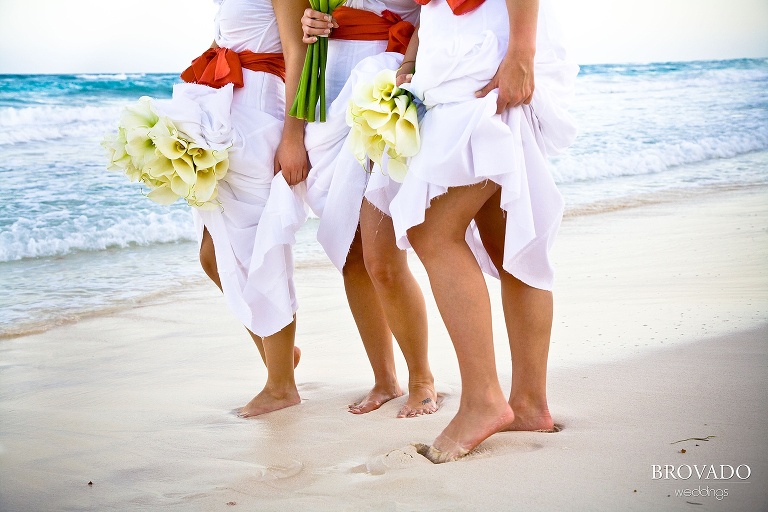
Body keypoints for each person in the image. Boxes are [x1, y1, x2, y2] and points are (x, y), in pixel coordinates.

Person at [388, 0, 579, 461]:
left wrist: (521, 53)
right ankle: (529, 404)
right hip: (455, 46)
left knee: (432, 231)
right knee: (505, 237)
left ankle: (483, 400)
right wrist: (414, 54)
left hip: (484, 49)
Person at [299, 2, 438, 417]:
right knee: (350, 252)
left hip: (387, 83)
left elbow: (436, 12)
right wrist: (310, 21)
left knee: (381, 256)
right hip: (331, 86)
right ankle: (385, 379)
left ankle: (422, 380)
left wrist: (413, 61)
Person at [184, 0, 310, 417]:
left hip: (260, 118)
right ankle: (279, 357)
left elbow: (298, 52)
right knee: (212, 254)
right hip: (223, 118)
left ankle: (281, 387)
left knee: (263, 252)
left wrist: (293, 135)